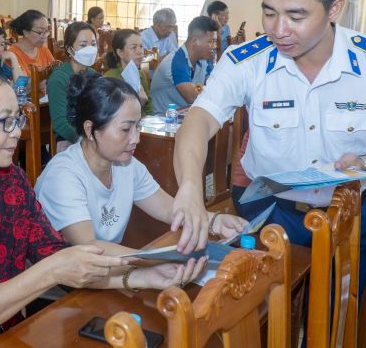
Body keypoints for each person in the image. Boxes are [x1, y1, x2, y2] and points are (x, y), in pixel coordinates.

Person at [172, 0, 366, 296]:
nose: (279, 30)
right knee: (255, 315)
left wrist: (364, 162)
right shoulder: (247, 61)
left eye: (296, 16)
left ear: (334, 7)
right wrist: (188, 187)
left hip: (347, 214)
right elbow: (199, 119)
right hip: (269, 210)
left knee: (332, 319)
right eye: (269, 12)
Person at [0, 68, 204, 346]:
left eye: (17, 119)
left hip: (10, 335)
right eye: (5, 121)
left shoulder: (10, 182)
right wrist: (53, 269)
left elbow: (58, 257)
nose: (16, 131)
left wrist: (142, 278)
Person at [36, 72, 245, 254]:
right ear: (90, 130)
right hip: (61, 289)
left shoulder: (127, 165)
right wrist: (149, 264)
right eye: (126, 129)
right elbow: (89, 247)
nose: (136, 138)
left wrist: (214, 221)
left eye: (138, 126)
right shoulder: (63, 175)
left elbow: (166, 208)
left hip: (102, 273)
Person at [150, 16, 219, 113]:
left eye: (215, 42)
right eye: (210, 41)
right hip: (163, 120)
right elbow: (191, 96)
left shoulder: (204, 59)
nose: (214, 46)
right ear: (195, 41)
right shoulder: (176, 61)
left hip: (186, 114)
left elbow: (214, 83)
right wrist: (202, 87)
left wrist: (200, 87)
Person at [47, 21, 98, 152]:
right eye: (83, 45)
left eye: (93, 44)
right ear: (69, 49)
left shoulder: (94, 75)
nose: (90, 49)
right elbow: (61, 124)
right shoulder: (59, 79)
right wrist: (86, 141)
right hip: (69, 140)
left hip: (93, 137)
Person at [103, 29, 154, 116]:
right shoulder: (110, 79)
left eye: (141, 46)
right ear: (120, 52)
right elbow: (111, 116)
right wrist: (139, 104)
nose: (140, 52)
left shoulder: (140, 74)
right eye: (133, 47)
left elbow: (149, 108)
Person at [8, 9, 57, 75]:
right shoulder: (12, 55)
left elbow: (56, 73)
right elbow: (18, 84)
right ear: (26, 32)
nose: (44, 36)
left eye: (46, 31)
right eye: (40, 32)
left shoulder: (44, 50)